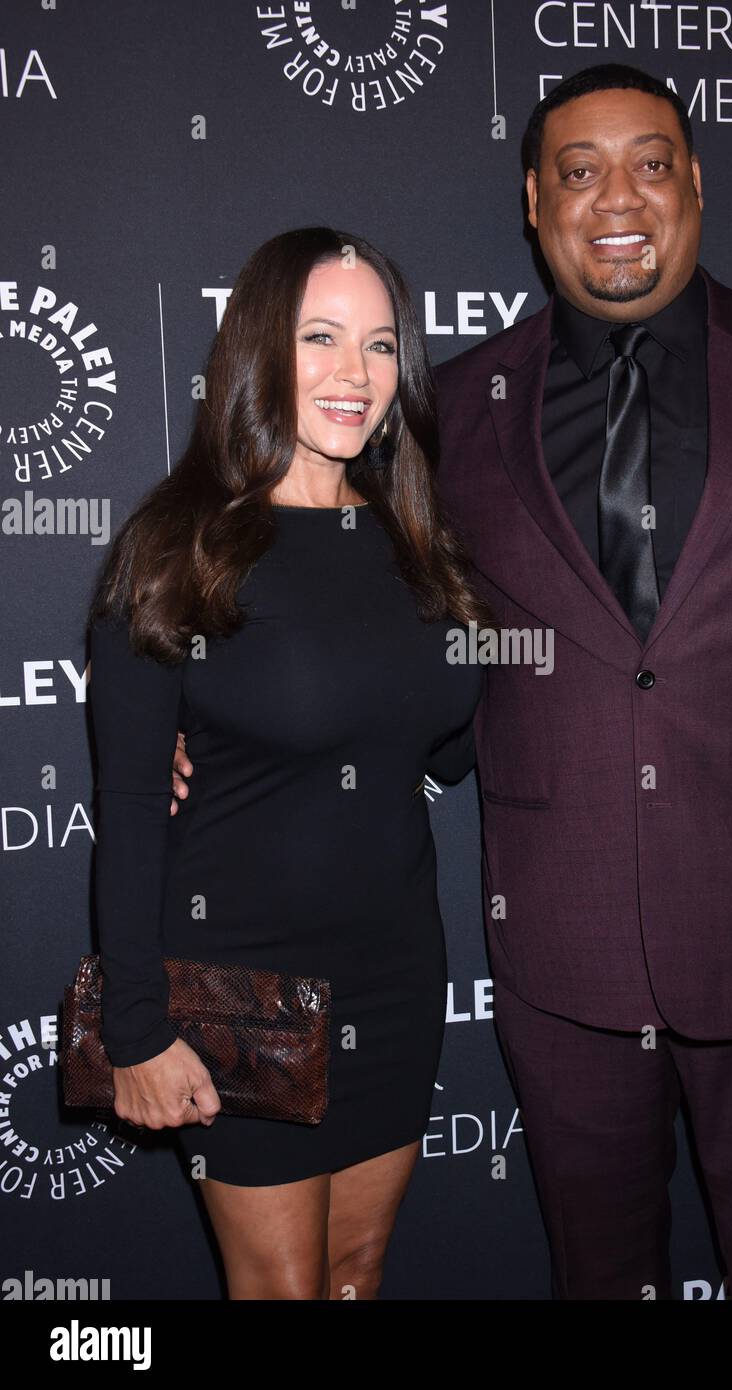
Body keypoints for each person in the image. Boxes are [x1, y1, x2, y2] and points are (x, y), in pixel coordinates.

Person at [174, 68, 732, 1300]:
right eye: (580, 169)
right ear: (534, 203)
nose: (619, 197)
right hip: (563, 944)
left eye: (651, 163)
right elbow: (372, 623)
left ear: (696, 183)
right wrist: (218, 734)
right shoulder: (457, 410)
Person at [87, 226, 486, 1300]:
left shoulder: (418, 544)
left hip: (397, 978)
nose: (355, 375)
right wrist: (137, 1027)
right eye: (320, 338)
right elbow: (128, 805)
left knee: (358, 1272)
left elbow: (444, 748)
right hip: (241, 986)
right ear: (258, 349)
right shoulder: (182, 546)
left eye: (380, 344)